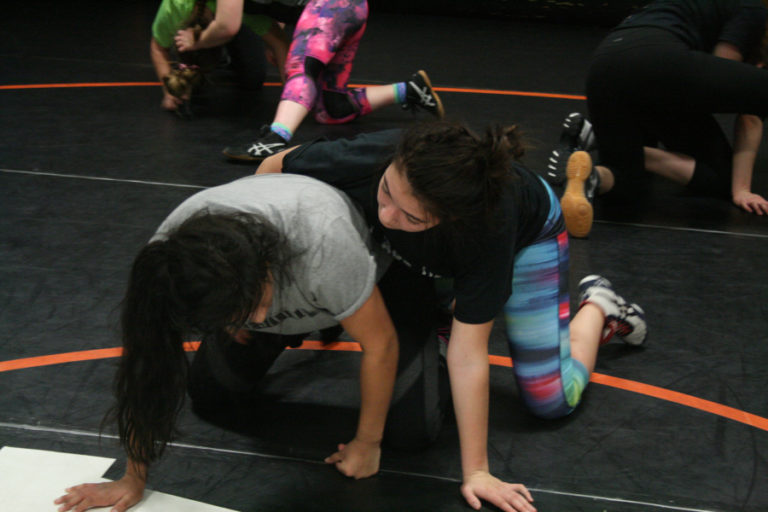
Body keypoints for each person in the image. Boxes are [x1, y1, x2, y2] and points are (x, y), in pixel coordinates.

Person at [255, 120, 648, 512]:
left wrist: (476, 471)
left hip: (530, 234)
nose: (388, 214)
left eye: (411, 217)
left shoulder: (486, 232)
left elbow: (470, 352)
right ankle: (445, 307)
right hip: (421, 259)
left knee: (550, 400)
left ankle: (599, 305)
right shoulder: (367, 158)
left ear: (451, 219)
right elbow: (270, 170)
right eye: (387, 191)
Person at [54, 173, 448, 512]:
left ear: (262, 263)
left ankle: (437, 330)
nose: (260, 318)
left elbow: (381, 345)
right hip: (289, 292)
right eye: (242, 312)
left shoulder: (322, 244)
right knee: (211, 393)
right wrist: (131, 478)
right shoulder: (169, 265)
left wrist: (367, 442)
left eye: (257, 303)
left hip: (369, 281)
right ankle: (273, 317)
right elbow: (147, 369)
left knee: (412, 433)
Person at [547, 0, 768, 238]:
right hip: (656, 60)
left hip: (605, 67)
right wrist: (742, 190)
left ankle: (593, 174)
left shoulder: (688, 13)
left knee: (628, 181)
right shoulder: (753, 9)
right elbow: (728, 79)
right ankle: (601, 138)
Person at [222, 0, 444, 161]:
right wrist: (296, 92)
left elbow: (225, 27)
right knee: (331, 110)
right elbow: (278, 40)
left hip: (332, 8)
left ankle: (276, 138)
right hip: (349, 11)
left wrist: (195, 42)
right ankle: (410, 90)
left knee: (302, 66)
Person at [151, 0, 292, 113]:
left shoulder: (241, 9)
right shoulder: (177, 6)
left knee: (252, 78)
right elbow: (158, 48)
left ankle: (224, 55)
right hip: (201, 30)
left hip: (238, 23)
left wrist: (291, 97)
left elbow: (279, 43)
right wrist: (169, 91)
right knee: (192, 86)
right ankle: (207, 64)